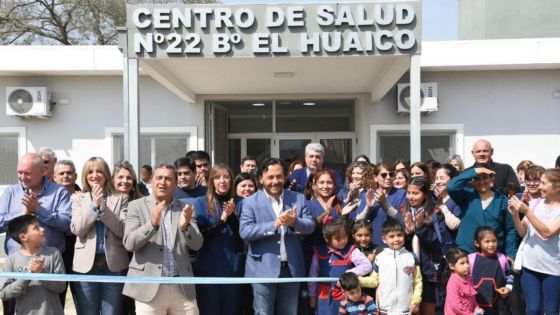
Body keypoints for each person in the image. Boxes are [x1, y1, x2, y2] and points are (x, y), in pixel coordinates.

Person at [122, 164, 203, 314]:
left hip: (181, 285)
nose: (163, 182)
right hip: (149, 286)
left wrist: (186, 227)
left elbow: (197, 244)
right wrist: (152, 224)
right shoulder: (136, 206)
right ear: (151, 181)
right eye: (159, 178)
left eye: (168, 179)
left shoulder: (186, 208)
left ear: (176, 183)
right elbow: (129, 243)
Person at [239, 157, 315, 315]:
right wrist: (274, 224)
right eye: (270, 177)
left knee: (289, 312)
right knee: (263, 312)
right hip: (262, 268)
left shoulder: (298, 198)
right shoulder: (250, 202)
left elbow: (310, 226)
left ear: (286, 177)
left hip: (291, 268)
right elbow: (245, 231)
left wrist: (295, 222)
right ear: (260, 178)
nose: (275, 181)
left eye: (279, 176)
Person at [0, 152, 71, 314]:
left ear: (43, 170)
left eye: (27, 173)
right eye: (19, 172)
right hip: (16, 264)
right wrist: (21, 217)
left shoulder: (59, 192)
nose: (22, 177)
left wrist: (39, 210)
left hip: (50, 263)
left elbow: (67, 225)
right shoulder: (11, 192)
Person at [70, 157, 129, 315]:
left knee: (112, 312)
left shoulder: (121, 199)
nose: (94, 175)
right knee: (88, 312)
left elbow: (122, 230)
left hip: (114, 265)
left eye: (99, 171)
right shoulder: (77, 198)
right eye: (90, 172)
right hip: (85, 267)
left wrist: (103, 210)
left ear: (106, 175)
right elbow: (77, 229)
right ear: (85, 175)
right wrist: (93, 207)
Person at [192, 164, 244, 315]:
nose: (222, 181)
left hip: (233, 268)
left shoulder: (241, 203)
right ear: (211, 182)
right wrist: (222, 221)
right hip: (208, 267)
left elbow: (243, 239)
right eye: (217, 177)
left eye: (226, 177)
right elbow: (201, 238)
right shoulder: (200, 202)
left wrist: (232, 216)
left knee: (231, 309)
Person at [508, 168, 560, 315]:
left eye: (543, 183)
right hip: (530, 266)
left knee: (551, 310)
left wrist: (527, 211)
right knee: (533, 309)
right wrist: (515, 215)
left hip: (553, 269)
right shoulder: (536, 203)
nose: (539, 186)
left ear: (557, 186)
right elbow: (522, 231)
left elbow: (547, 233)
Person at [0, 214, 66, 314]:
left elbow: (61, 286)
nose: (42, 229)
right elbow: (4, 293)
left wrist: (42, 274)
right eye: (36, 228)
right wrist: (27, 276)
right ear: (23, 237)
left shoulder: (53, 253)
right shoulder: (11, 260)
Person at [403, 177, 450, 315]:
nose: (411, 197)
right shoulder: (403, 211)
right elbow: (396, 242)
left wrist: (421, 228)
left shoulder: (435, 213)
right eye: (409, 192)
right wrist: (408, 232)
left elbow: (439, 244)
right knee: (411, 307)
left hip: (429, 270)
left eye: (415, 193)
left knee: (430, 307)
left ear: (425, 194)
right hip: (408, 270)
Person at [448, 166, 518, 258]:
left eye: (485, 177)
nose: (481, 182)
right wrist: (474, 171)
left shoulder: (502, 201)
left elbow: (511, 230)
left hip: (493, 256)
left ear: (492, 178)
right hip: (466, 254)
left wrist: (511, 255)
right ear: (472, 181)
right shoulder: (466, 196)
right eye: (477, 178)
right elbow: (451, 186)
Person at [308, 218, 372, 315]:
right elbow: (313, 275)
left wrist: (347, 274)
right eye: (337, 238)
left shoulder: (352, 251)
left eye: (344, 237)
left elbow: (367, 266)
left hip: (346, 296)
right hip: (323, 296)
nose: (342, 241)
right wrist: (312, 295)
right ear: (327, 238)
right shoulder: (319, 252)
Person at [374, 218, 422, 315]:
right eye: (391, 236)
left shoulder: (411, 257)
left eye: (399, 235)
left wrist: (416, 300)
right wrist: (358, 280)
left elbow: (417, 282)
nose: (396, 239)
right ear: (384, 239)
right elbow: (374, 280)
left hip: (406, 310)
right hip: (385, 310)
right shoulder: (379, 258)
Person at [356, 162, 407, 247]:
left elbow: (403, 221)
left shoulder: (401, 194)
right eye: (383, 175)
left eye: (391, 174)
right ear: (375, 178)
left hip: (394, 245)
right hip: (373, 245)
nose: (388, 178)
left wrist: (385, 204)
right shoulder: (369, 194)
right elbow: (358, 222)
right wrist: (368, 207)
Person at [53, 159, 80, 309]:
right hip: (58, 253)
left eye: (69, 173)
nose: (65, 176)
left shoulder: (85, 196)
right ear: (54, 177)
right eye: (61, 173)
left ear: (75, 176)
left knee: (82, 300)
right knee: (58, 300)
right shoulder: (48, 199)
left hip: (80, 253)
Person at [468, 226, 512, 315]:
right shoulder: (471, 259)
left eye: (494, 241)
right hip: (476, 306)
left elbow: (509, 276)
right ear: (477, 243)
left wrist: (508, 289)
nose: (491, 244)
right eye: (487, 241)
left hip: (499, 306)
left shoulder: (502, 259)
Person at [444, 248, 484, 315]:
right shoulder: (453, 283)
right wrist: (469, 314)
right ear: (451, 266)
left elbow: (472, 298)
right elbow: (456, 305)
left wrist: (476, 308)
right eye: (462, 263)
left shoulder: (469, 279)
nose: (467, 266)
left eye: (467, 262)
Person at [433, 164, 462, 235]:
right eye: (436, 178)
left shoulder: (457, 199)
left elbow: (454, 225)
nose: (438, 182)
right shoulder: (433, 198)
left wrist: (442, 206)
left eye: (442, 178)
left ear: (452, 179)